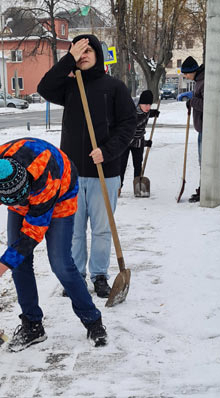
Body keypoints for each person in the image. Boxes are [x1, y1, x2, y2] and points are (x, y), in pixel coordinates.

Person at [0, 137, 107, 351]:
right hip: (28, 192)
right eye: (10, 201)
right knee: (20, 264)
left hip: (60, 195)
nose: (19, 205)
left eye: (19, 199)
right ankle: (33, 326)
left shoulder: (45, 175)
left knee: (61, 263)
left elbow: (32, 234)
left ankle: (93, 321)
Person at [37, 34, 136, 298]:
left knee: (102, 229)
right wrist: (67, 59)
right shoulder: (69, 87)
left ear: (98, 54)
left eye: (88, 49)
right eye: (78, 51)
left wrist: (107, 151)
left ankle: (100, 275)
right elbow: (44, 87)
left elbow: (129, 125)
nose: (84, 54)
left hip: (105, 172)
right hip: (72, 174)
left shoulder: (114, 87)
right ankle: (76, 275)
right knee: (75, 231)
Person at [119, 90, 160, 194]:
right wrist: (145, 143)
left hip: (139, 142)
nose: (148, 107)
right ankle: (118, 187)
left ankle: (138, 187)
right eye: (145, 104)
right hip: (126, 141)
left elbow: (146, 113)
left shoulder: (145, 111)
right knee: (122, 165)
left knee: (138, 165)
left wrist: (152, 113)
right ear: (140, 103)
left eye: (149, 105)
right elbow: (131, 133)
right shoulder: (132, 114)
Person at [181, 56, 204, 203]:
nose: (185, 76)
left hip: (206, 128)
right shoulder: (199, 81)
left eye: (186, 73)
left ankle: (204, 190)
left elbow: (207, 104)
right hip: (202, 128)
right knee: (202, 161)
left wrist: (192, 101)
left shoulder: (204, 82)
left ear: (192, 71)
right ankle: (203, 189)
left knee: (204, 161)